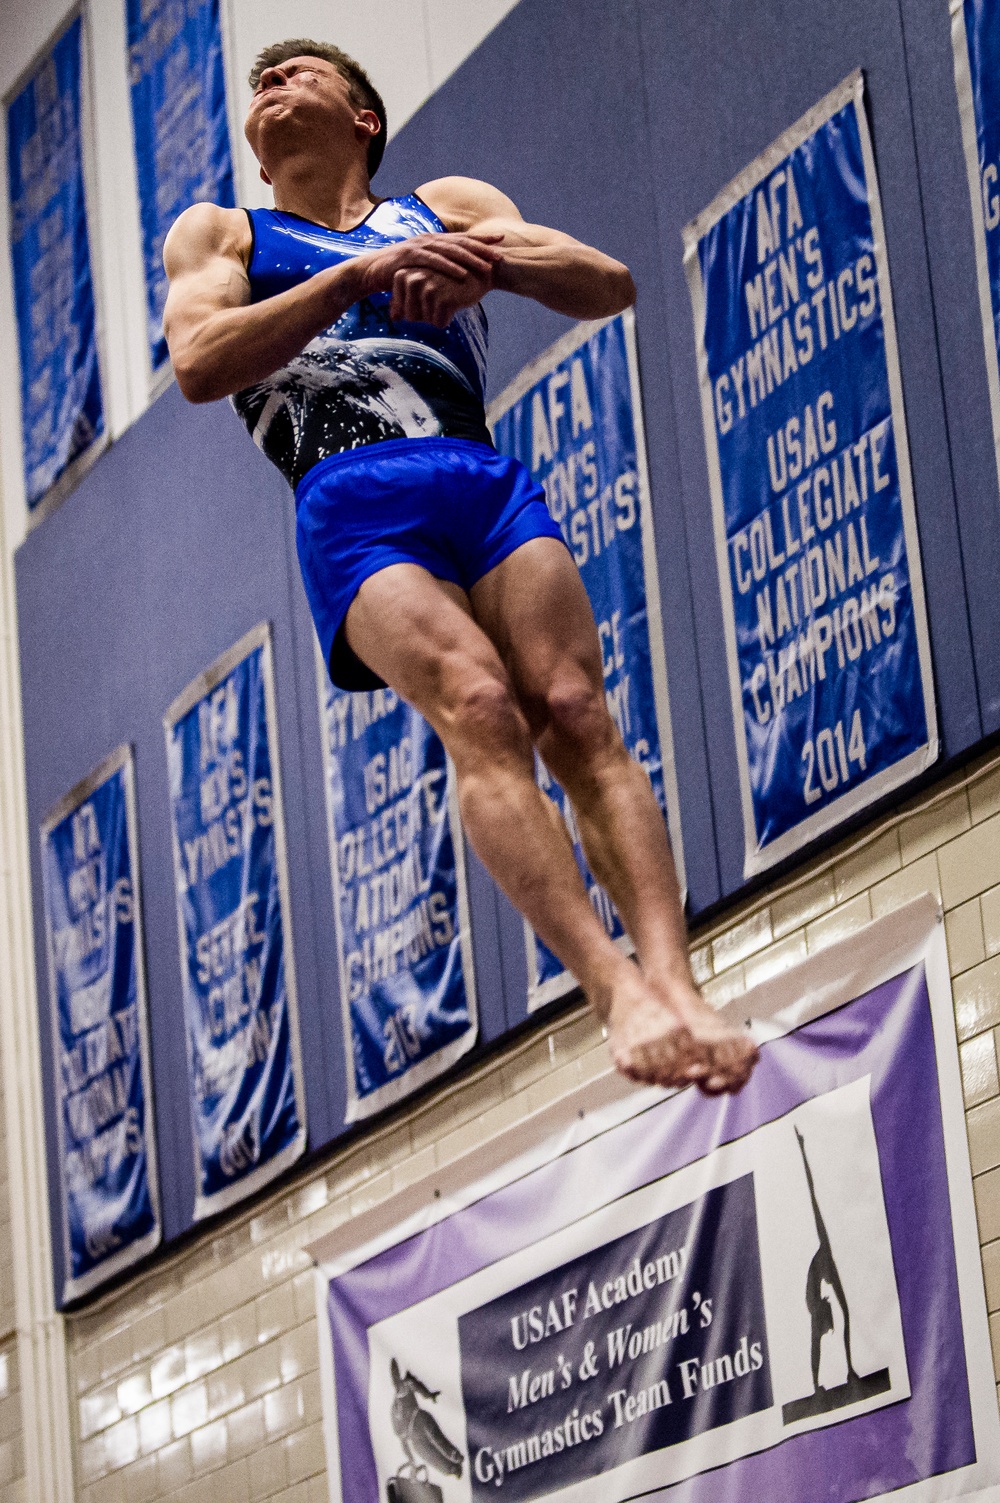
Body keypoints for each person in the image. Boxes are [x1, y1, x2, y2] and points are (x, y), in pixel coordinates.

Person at [162, 39, 758, 1096]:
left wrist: (476, 262)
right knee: (480, 706)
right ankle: (614, 992)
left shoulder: (441, 203)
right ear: (257, 160)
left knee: (574, 708)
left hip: (477, 476)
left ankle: (676, 981)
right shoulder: (226, 231)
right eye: (260, 82)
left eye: (298, 71)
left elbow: (605, 282)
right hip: (349, 493)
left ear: (364, 118)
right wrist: (360, 274)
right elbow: (202, 365)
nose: (271, 84)